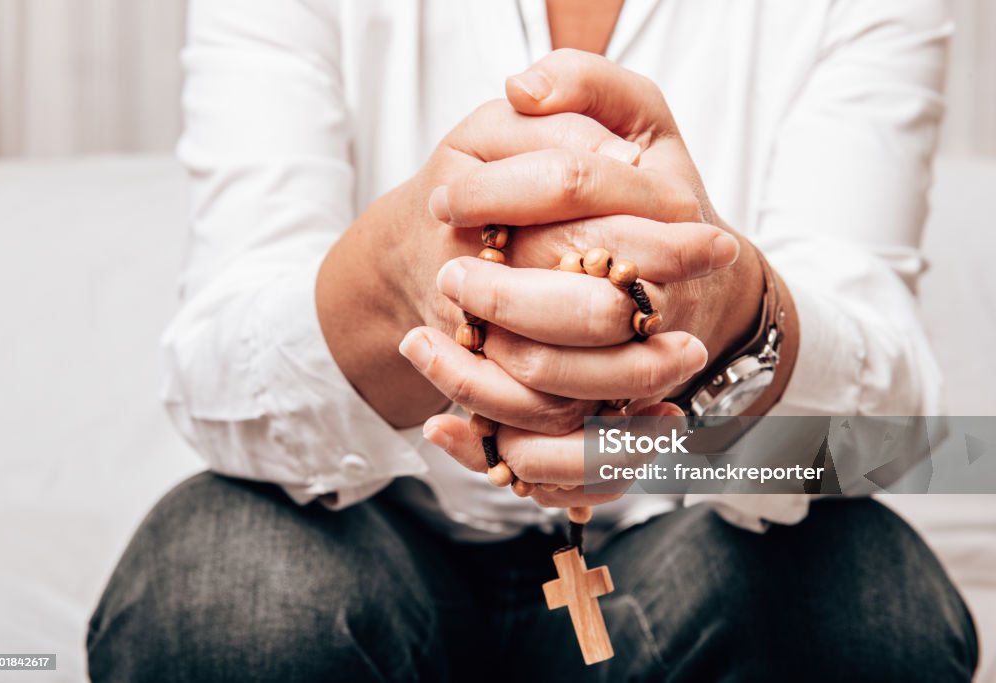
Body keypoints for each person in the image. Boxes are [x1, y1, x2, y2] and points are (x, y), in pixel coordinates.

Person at [88, 1, 978, 680]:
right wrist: (399, 280)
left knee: (867, 602)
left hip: (684, 548)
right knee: (216, 586)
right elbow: (210, 377)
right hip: (371, 532)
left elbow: (882, 437)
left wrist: (734, 314)